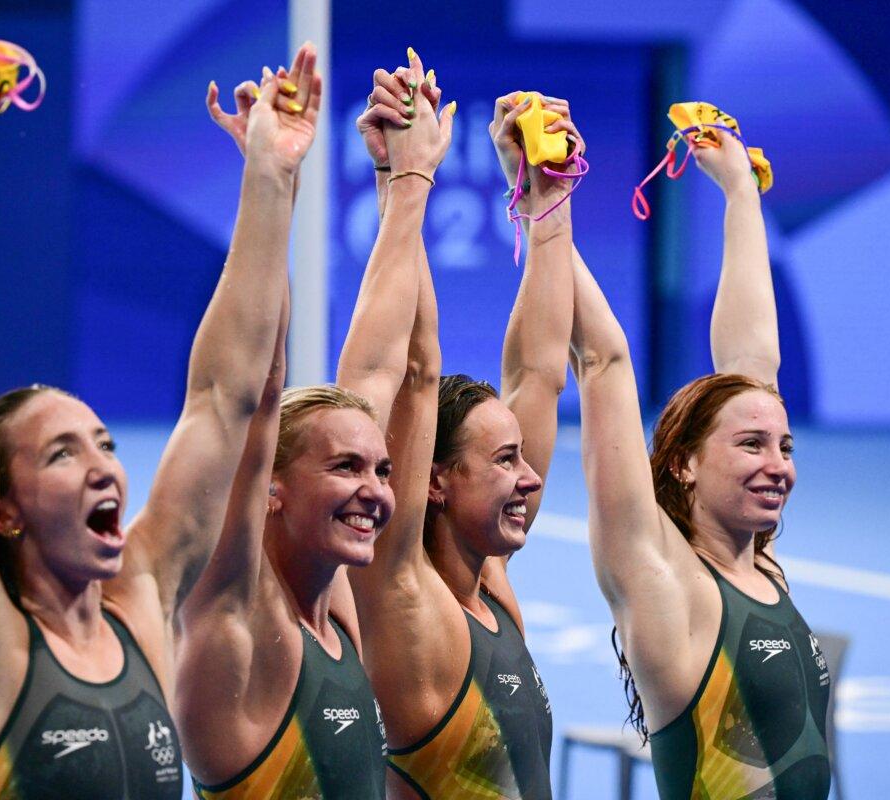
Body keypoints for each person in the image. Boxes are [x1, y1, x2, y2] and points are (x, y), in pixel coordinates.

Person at [0, 13, 318, 798]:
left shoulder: (139, 596)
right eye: (64, 453)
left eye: (103, 443)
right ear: (2, 511)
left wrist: (270, 177)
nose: (105, 465)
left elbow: (221, 400)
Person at [174, 49, 454, 799]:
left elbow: (381, 371)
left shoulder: (334, 605)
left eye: (379, 471)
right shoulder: (234, 618)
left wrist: (407, 180)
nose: (375, 490)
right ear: (269, 488)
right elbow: (255, 393)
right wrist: (272, 183)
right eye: (344, 468)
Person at [339, 78, 582, 799]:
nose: (532, 478)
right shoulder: (400, 598)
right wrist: (403, 181)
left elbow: (540, 374)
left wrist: (546, 197)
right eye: (505, 461)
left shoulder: (492, 588)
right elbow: (414, 370)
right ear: (434, 480)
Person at [568, 132, 831, 799]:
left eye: (786, 446)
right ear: (684, 464)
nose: (778, 465)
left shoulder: (758, 564)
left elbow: (752, 365)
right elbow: (603, 360)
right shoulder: (663, 583)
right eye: (751, 447)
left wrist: (741, 191)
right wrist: (543, 207)